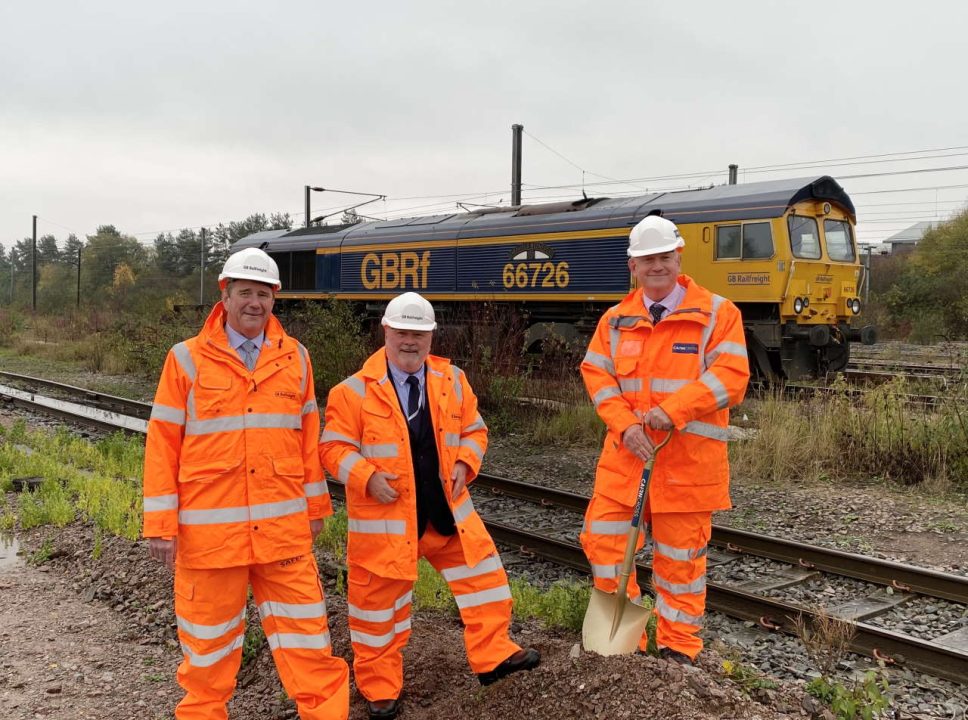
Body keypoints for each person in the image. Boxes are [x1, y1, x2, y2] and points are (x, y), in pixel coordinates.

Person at [142, 247, 349, 720]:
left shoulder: (295, 357)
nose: (254, 303)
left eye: (264, 294)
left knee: (311, 648)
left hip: (283, 537)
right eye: (245, 292)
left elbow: (307, 438)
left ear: (275, 299)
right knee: (207, 662)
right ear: (226, 294)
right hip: (210, 540)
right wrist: (160, 523)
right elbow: (162, 445)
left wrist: (316, 509)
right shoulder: (187, 360)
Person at [320, 291, 539, 720]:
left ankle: (494, 656)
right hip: (386, 525)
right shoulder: (351, 392)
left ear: (431, 336)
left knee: (487, 583)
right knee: (377, 612)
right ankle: (380, 689)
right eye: (402, 332)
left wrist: (465, 461)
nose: (410, 341)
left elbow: (476, 430)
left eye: (419, 334)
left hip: (446, 517)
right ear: (386, 331)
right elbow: (332, 448)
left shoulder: (452, 380)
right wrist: (365, 476)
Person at [580, 215, 750, 665]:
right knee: (605, 547)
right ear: (631, 267)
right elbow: (597, 377)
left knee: (681, 566)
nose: (656, 266)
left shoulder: (717, 313)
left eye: (663, 257)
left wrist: (674, 410)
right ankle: (623, 650)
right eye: (645, 260)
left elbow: (732, 377)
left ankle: (678, 652)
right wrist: (626, 425)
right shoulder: (615, 321)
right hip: (627, 461)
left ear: (678, 258)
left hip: (688, 467)